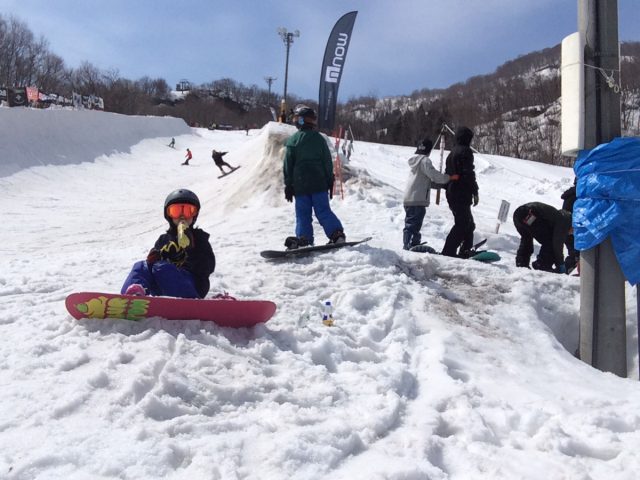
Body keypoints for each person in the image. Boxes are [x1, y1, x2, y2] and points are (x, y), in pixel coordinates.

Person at [121, 189, 216, 298]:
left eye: (188, 211)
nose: (182, 216)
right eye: (176, 211)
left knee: (162, 268)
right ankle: (133, 295)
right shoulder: (163, 240)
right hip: (162, 282)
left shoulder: (199, 237)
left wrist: (190, 251)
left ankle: (188, 299)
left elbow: (208, 266)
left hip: (191, 285)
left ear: (194, 215)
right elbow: (152, 264)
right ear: (169, 215)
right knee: (141, 266)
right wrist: (156, 256)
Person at [282, 104, 345, 249]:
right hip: (319, 184)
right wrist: (330, 180)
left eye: (297, 118)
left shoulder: (293, 140)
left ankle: (304, 238)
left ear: (302, 121)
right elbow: (327, 162)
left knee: (303, 214)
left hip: (300, 185)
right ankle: (337, 234)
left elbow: (288, 165)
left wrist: (288, 184)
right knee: (323, 211)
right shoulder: (320, 139)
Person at [403, 138, 458, 250]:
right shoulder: (425, 161)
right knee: (414, 223)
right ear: (429, 150)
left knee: (412, 222)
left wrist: (442, 185)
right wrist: (449, 178)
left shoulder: (415, 162)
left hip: (409, 198)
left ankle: (413, 242)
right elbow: (434, 176)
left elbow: (426, 181)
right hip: (417, 199)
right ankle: (409, 244)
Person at [441, 126, 480, 258]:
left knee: (469, 224)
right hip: (461, 192)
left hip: (452, 191)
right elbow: (468, 173)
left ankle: (465, 250)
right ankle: (448, 251)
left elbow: (448, 174)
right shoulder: (466, 152)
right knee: (463, 223)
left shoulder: (451, 153)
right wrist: (475, 191)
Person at [513, 202, 572, 274]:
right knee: (549, 241)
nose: (571, 233)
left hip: (518, 214)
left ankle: (522, 263)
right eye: (573, 232)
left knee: (526, 239)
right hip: (530, 213)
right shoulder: (565, 222)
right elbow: (557, 243)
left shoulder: (560, 217)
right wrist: (560, 264)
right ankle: (542, 265)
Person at [561, 180, 580, 272]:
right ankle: (565, 272)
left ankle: (565, 271)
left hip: (568, 228)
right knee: (576, 255)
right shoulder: (578, 194)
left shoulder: (572, 194)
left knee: (575, 254)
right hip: (572, 229)